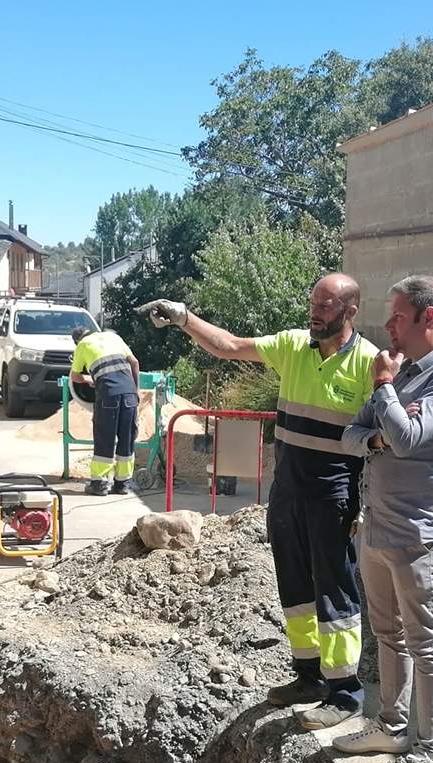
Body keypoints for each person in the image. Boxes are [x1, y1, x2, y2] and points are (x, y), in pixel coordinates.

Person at [137, 275, 377, 729]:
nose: (315, 313)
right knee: (295, 587)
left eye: (325, 307)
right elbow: (228, 345)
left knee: (336, 590)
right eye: (313, 303)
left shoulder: (367, 363)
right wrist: (184, 317)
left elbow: (383, 432)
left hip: (333, 493)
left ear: (349, 312)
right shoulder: (293, 345)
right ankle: (308, 677)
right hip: (287, 489)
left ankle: (345, 694)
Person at [333, 275, 433, 758]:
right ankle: (390, 729)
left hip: (420, 534)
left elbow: (411, 439)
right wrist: (380, 432)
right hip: (377, 527)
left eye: (398, 316)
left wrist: (384, 390)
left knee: (425, 640)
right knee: (387, 634)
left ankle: (430, 749)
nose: (389, 325)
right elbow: (353, 435)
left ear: (428, 317)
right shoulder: (408, 375)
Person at [69, 325, 141, 496]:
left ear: (77, 340)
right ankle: (122, 483)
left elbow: (75, 376)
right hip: (129, 393)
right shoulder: (113, 337)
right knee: (127, 438)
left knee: (104, 437)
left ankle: (100, 484)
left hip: (108, 395)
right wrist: (135, 391)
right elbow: (135, 363)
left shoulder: (83, 345)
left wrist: (89, 381)